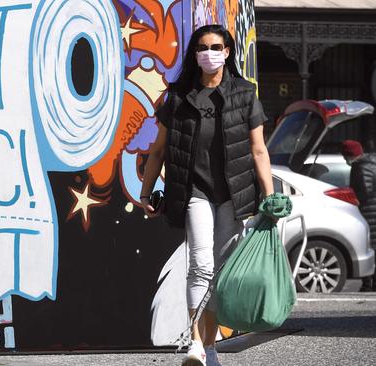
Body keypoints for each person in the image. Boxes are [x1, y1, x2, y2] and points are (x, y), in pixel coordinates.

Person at [140, 24, 273, 366]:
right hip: (194, 191)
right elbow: (158, 151)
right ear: (194, 53)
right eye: (202, 47)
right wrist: (146, 192)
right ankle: (196, 344)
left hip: (233, 195)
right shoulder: (180, 97)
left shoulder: (245, 94)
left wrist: (271, 198)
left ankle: (211, 348)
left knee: (221, 271)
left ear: (228, 52)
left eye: (216, 47)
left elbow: (258, 150)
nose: (209, 53)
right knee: (200, 265)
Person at [341, 140, 376, 292]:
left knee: (369, 248)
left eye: (345, 156)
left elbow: (365, 191)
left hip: (369, 211)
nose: (344, 160)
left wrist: (352, 197)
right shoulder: (371, 161)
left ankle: (369, 284)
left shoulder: (360, 167)